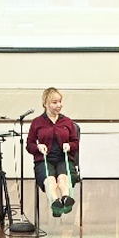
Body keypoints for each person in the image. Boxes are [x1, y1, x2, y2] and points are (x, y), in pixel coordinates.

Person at [25, 87, 79, 217]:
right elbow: (29, 145)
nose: (59, 105)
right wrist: (38, 147)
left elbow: (75, 143)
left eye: (60, 101)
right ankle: (55, 203)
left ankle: (66, 199)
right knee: (50, 181)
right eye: (54, 102)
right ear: (45, 103)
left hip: (63, 159)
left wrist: (69, 145)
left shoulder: (67, 122)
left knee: (63, 179)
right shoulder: (37, 122)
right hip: (44, 160)